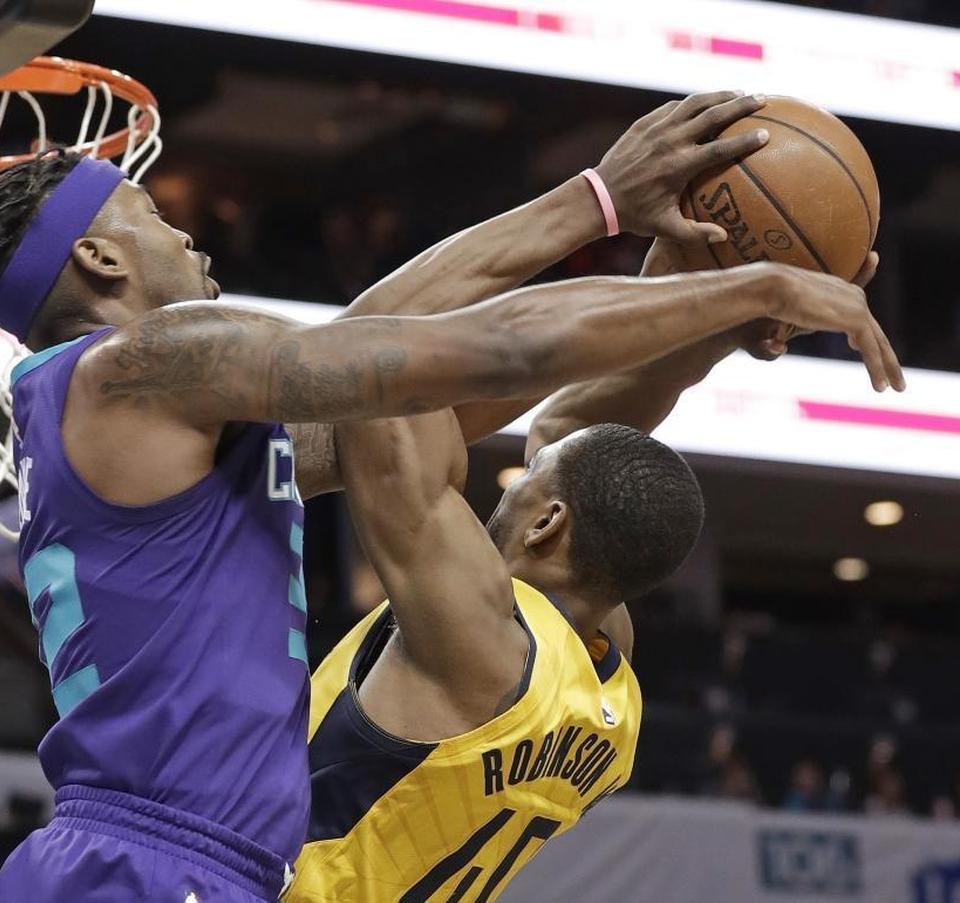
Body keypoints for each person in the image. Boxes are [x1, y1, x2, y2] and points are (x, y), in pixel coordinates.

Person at [0, 90, 899, 903]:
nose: (194, 239)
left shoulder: (167, 426)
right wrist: (744, 284)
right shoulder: (145, 362)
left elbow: (421, 375)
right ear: (97, 257)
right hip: (156, 864)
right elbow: (472, 354)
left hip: (186, 864)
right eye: (156, 222)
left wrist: (672, 282)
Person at [287, 238, 882, 900]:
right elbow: (579, 423)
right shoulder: (607, 676)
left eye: (528, 478)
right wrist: (713, 319)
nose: (510, 479)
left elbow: (382, 348)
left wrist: (610, 217)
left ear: (547, 523)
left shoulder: (476, 634)